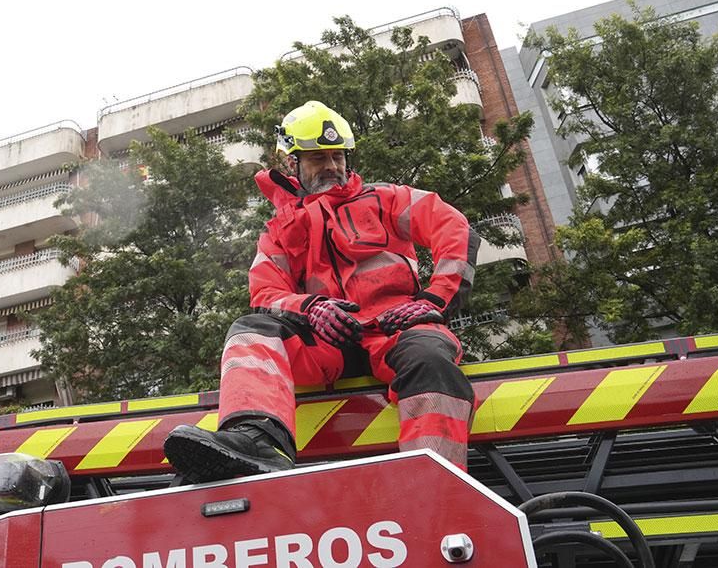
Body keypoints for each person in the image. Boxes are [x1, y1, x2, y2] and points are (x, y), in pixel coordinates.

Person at [163, 100, 480, 482]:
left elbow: (455, 229)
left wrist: (434, 301)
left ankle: (438, 485)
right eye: (317, 157)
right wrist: (311, 309)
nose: (331, 166)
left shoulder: (387, 198)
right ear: (291, 165)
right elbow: (266, 293)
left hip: (399, 331)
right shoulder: (279, 230)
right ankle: (256, 438)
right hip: (328, 343)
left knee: (432, 359)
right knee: (251, 330)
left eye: (337, 156)